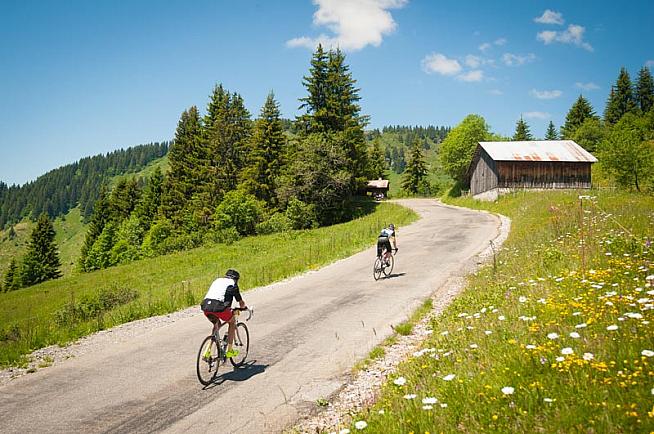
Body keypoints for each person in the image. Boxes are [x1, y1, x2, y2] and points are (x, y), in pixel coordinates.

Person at [201, 269, 247, 359]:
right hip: (218, 306)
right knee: (232, 322)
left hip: (205, 306)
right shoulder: (233, 284)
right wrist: (244, 308)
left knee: (217, 324)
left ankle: (207, 351)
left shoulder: (217, 280)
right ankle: (229, 351)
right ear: (236, 279)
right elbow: (241, 302)